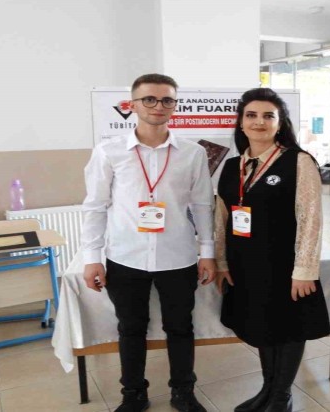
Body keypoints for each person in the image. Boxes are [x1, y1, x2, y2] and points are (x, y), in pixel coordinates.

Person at [81, 73, 216, 412]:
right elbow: (95, 206)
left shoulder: (192, 153)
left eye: (167, 99)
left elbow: (203, 205)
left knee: (180, 328)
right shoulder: (109, 151)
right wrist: (92, 257)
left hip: (178, 257)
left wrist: (207, 252)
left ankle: (183, 392)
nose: (159, 106)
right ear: (132, 104)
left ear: (175, 105)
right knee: (130, 329)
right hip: (125, 257)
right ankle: (133, 394)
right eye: (149, 99)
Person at [215, 88, 330, 412]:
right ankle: (268, 390)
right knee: (262, 326)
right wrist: (222, 262)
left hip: (286, 265)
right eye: (251, 115)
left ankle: (281, 397)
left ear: (280, 123)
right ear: (241, 122)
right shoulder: (232, 166)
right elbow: (221, 219)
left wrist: (305, 270)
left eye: (269, 116)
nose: (259, 122)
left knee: (289, 327)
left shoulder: (298, 161)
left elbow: (310, 218)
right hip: (246, 263)